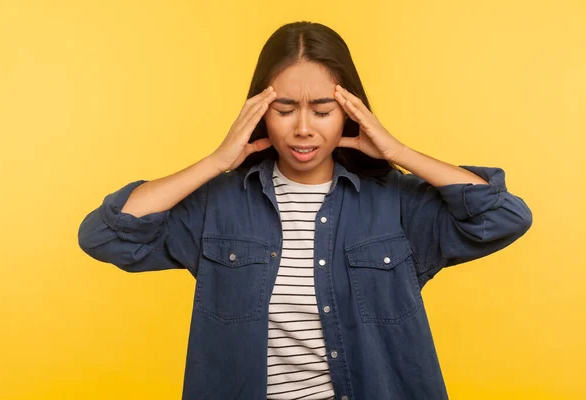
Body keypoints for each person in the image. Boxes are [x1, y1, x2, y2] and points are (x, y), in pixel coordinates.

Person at [78, 21, 533, 400]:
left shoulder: (395, 202)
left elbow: (504, 216)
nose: (302, 129)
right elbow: (105, 234)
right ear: (259, 111)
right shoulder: (219, 206)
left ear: (349, 113)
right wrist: (215, 162)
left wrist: (398, 150)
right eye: (284, 108)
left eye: (322, 110)